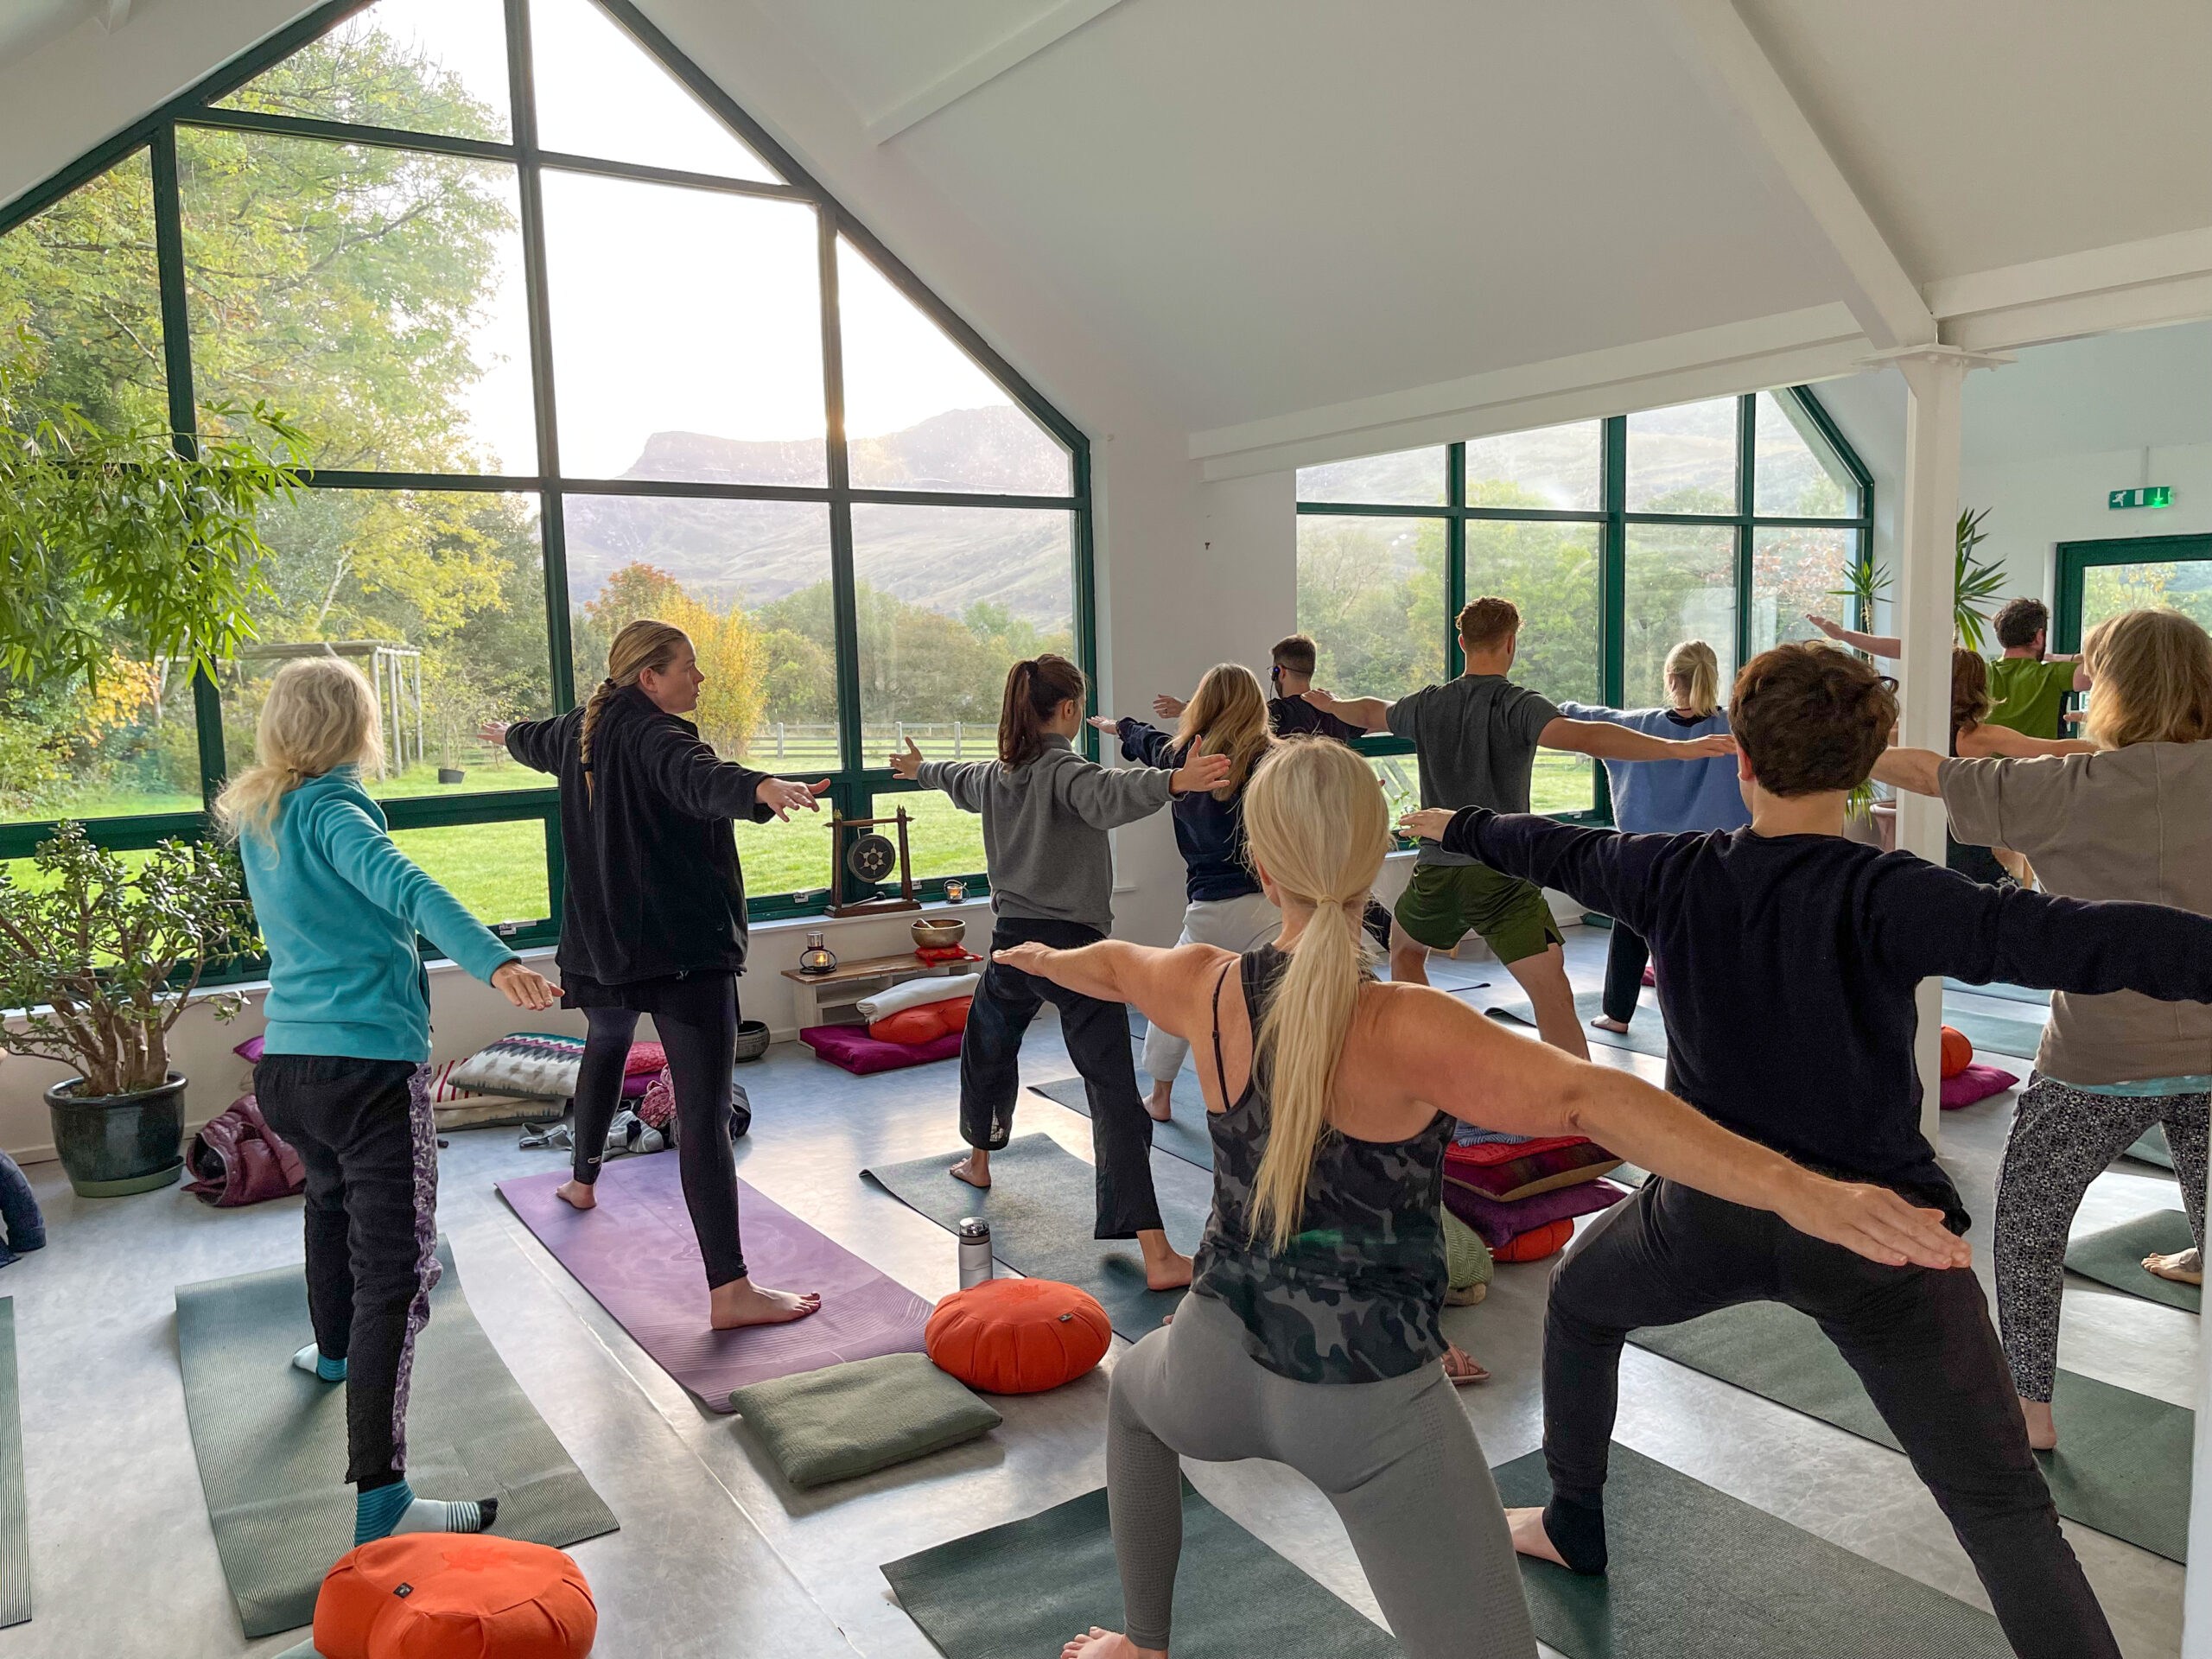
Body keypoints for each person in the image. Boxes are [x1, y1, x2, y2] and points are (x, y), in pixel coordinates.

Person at [1009, 738, 1967, 1659]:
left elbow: (1109, 963)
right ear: (1370, 855)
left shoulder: (1202, 983)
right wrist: (1803, 1193)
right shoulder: (1405, 1023)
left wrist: (1041, 963)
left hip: (1212, 1363)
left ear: (1259, 863)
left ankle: (1141, 1642)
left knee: (1132, 1402)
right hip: (1369, 1406)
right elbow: (1593, 1098)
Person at [1405, 642, 2212, 1659]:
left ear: (1739, 758)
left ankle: (1572, 1522)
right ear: (1866, 763)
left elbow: (1554, 847)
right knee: (2004, 1512)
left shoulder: (1671, 873)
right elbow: (2080, 937)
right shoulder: (1892, 892)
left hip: (1704, 1216)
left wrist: (1452, 825)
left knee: (1580, 1298)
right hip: (1875, 1236)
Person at [219, 656, 563, 1547]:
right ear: (354, 730)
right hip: (366, 1072)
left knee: (329, 1207)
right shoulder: (334, 809)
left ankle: (331, 1353)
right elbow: (408, 889)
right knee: (399, 1272)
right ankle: (384, 1500)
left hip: (289, 1069)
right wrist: (498, 961)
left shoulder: (265, 812)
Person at [1875, 607, 2212, 1449]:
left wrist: (1814, 742)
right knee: (2203, 1155)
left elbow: (1929, 773)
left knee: (2027, 1225)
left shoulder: (2065, 788)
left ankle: (2029, 1411)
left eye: (2092, 671)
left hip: (2099, 1057)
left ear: (2114, 687)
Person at [489, 619, 830, 1331]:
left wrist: (505, 734)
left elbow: (533, 737)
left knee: (605, 1049)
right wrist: (763, 785)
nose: (698, 681)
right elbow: (700, 778)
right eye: (688, 668)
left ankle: (582, 1183)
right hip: (681, 955)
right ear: (650, 677)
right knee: (703, 1117)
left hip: (603, 949)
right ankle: (731, 1291)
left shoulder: (585, 725)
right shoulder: (656, 734)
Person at [890, 653, 1230, 1291]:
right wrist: (1176, 783)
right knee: (1110, 1093)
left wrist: (918, 770)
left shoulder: (999, 774)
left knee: (987, 1049)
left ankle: (979, 1160)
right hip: (1075, 955)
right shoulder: (1064, 769)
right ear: (1070, 711)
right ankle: (1158, 1256)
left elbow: (954, 775)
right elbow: (1111, 794)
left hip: (1012, 946)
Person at [1302, 595, 1733, 1057]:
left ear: (1463, 641)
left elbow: (1370, 711)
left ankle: (1423, 1057)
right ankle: (1579, 1098)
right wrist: (1678, 749)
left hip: (1440, 871)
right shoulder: (1520, 705)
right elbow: (1587, 738)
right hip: (1504, 869)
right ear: (1511, 644)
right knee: (1552, 995)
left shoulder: (1429, 704)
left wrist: (1332, 703)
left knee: (1404, 952)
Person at [1090, 663, 1278, 1123]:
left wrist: (1120, 728)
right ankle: (1279, 1095)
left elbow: (1150, 742)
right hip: (1267, 905)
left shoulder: (1184, 758)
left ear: (1204, 703)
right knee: (1275, 1002)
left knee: (1174, 995)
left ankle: (1161, 1096)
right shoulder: (1273, 758)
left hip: (1208, 907)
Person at [1554, 639, 1747, 1033]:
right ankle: (1718, 1015)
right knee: (1716, 937)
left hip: (1650, 858)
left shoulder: (1638, 725)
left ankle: (1617, 1015)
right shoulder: (1739, 728)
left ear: (1670, 678)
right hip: (1716, 857)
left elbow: (1580, 717)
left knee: (1631, 923)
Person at [1808, 596, 2092, 738]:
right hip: (2038, 779)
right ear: (2039, 636)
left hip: (1980, 777)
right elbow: (2106, 668)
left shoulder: (1978, 669)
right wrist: (2064, 659)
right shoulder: (2052, 674)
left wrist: (1845, 636)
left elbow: (1910, 650)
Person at [1944, 647, 2094, 886]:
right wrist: (2108, 745)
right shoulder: (1977, 735)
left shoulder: (1918, 731)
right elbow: (2053, 749)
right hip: (1967, 845)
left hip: (1938, 841)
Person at [1154, 632, 1367, 742]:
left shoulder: (1274, 714)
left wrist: (1186, 707)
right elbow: (1369, 722)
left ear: (1279, 672)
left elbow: (1227, 715)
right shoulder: (1337, 710)